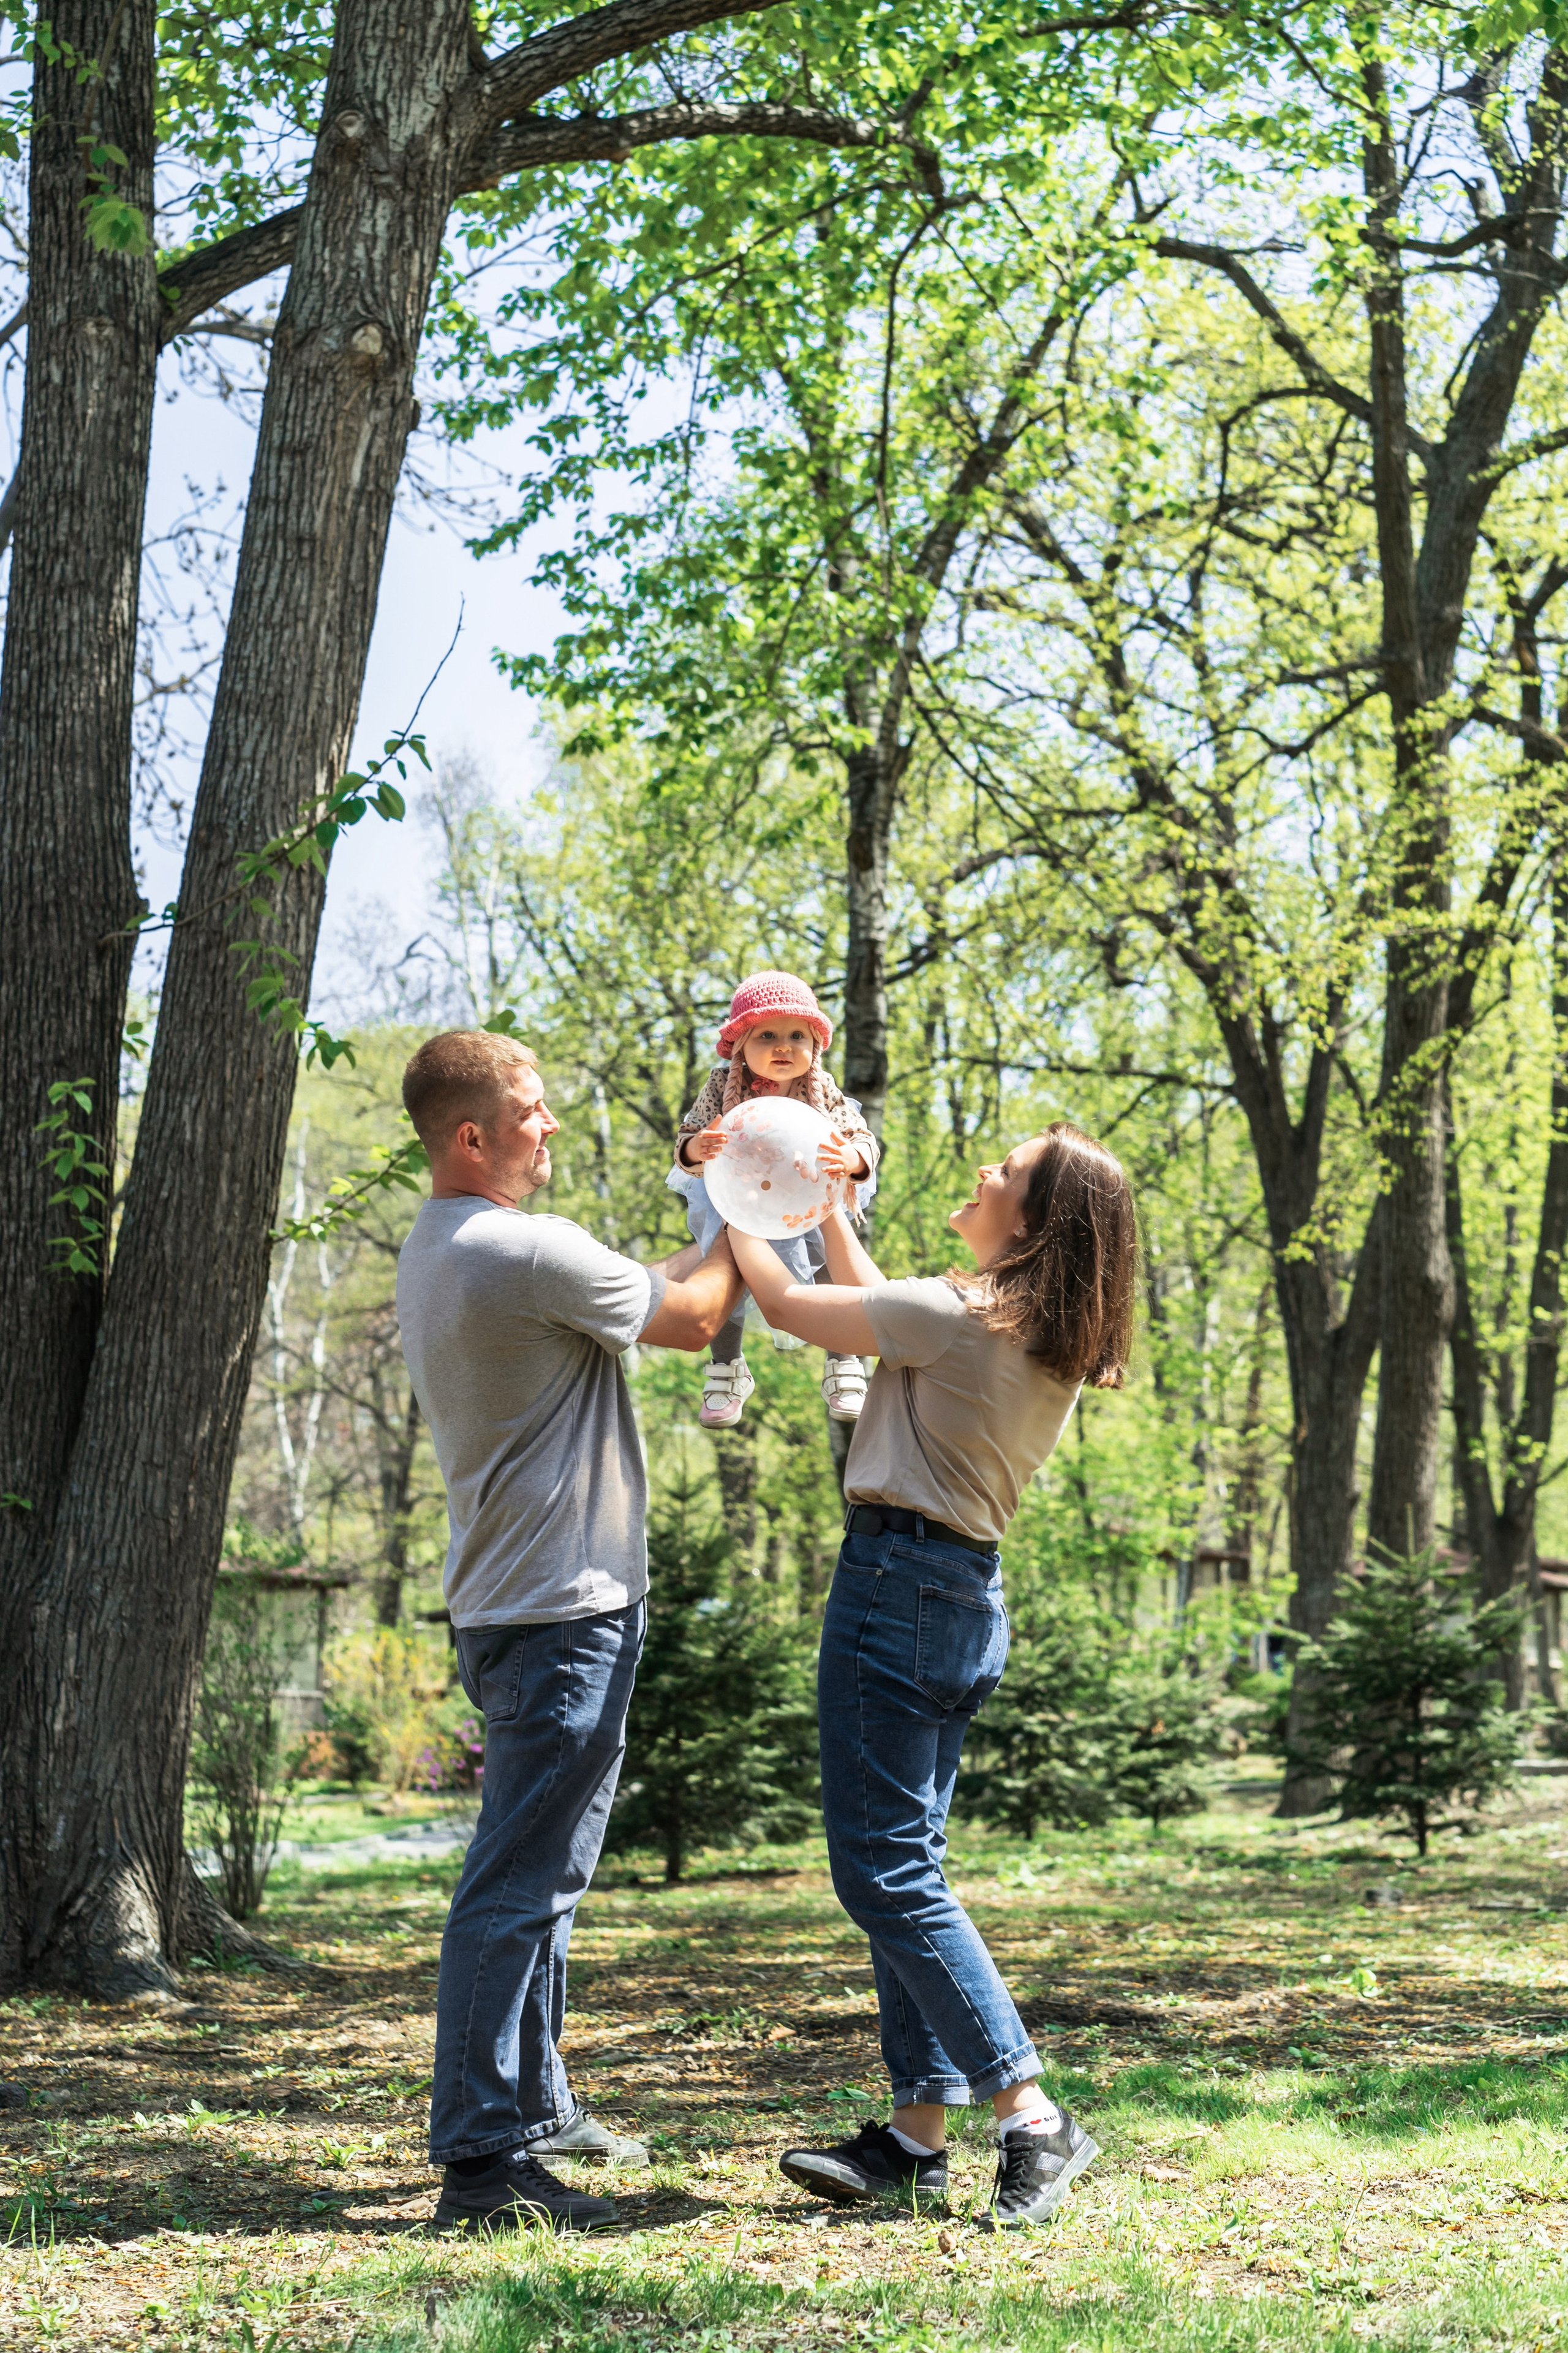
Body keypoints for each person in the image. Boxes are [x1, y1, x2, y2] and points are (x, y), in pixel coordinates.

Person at [725, 1122, 1137, 2231]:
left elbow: (792, 1307)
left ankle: (1032, 2114)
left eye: (1004, 1173)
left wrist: (736, 1196)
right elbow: (872, 1296)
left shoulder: (954, 1321)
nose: (982, 1174)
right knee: (907, 1866)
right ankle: (915, 2138)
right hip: (956, 1597)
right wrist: (823, 1208)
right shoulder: (1008, 1333)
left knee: (888, 1880)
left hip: (897, 1589)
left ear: (1034, 1221)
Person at [396, 1028, 743, 2235]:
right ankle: (484, 2168)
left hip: (524, 1608)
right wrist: (741, 1195)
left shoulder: (451, 1245)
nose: (548, 1127)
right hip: (558, 1617)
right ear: (470, 1136)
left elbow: (633, 1284)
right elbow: (695, 1312)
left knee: (547, 1876)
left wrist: (708, 1212)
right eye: (529, 1113)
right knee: (516, 1887)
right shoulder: (516, 1250)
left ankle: (534, 2105)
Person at [669, 969, 877, 1429]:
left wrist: (854, 1158)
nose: (784, 1046)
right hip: (740, 1202)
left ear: (814, 1046)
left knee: (828, 1272)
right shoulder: (722, 1085)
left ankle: (844, 1361)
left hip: (808, 1200)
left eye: (796, 1035)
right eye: (767, 1034)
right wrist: (696, 1148)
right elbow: (687, 1137)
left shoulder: (820, 1090)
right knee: (724, 1274)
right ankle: (727, 1367)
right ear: (740, 1041)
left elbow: (862, 1137)